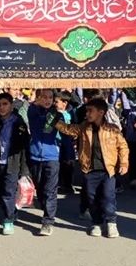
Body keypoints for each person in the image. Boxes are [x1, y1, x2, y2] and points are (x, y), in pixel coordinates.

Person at [54, 97, 129, 238]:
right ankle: (97, 223)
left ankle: (111, 222)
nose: (87, 114)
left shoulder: (112, 129)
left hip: (108, 170)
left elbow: (123, 146)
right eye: (86, 111)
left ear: (101, 112)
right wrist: (55, 122)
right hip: (89, 170)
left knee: (108, 197)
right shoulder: (83, 127)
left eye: (90, 111)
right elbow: (69, 129)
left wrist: (124, 163)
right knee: (91, 198)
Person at [0, 92, 30, 236]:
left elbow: (24, 147)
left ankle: (8, 220)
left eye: (5, 104)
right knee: (0, 191)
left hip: (12, 162)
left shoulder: (18, 122)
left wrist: (24, 170)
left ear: (11, 105)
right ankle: (12, 211)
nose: (1, 108)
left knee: (8, 192)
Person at [27, 88, 66, 235]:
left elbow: (64, 131)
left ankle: (48, 221)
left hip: (52, 157)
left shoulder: (58, 114)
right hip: (35, 155)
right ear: (37, 98)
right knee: (40, 187)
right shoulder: (33, 111)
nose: (47, 100)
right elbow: (39, 125)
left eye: (50, 97)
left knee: (50, 190)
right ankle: (44, 206)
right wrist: (46, 113)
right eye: (44, 97)